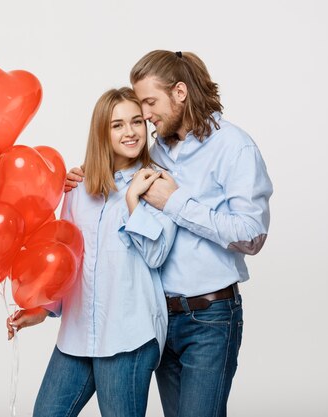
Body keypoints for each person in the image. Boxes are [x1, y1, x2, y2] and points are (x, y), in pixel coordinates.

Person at [65, 50, 273, 417]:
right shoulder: (156, 148)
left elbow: (252, 235)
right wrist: (86, 173)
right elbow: (120, 163)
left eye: (149, 102)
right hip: (158, 318)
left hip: (210, 317)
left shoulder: (234, 147)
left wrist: (176, 202)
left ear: (179, 92)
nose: (144, 115)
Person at [7, 87, 178, 417]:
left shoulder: (156, 184)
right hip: (77, 335)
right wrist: (43, 308)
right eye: (117, 125)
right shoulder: (77, 191)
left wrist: (132, 203)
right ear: (102, 131)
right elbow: (68, 262)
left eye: (137, 122)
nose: (130, 132)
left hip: (128, 338)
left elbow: (157, 255)